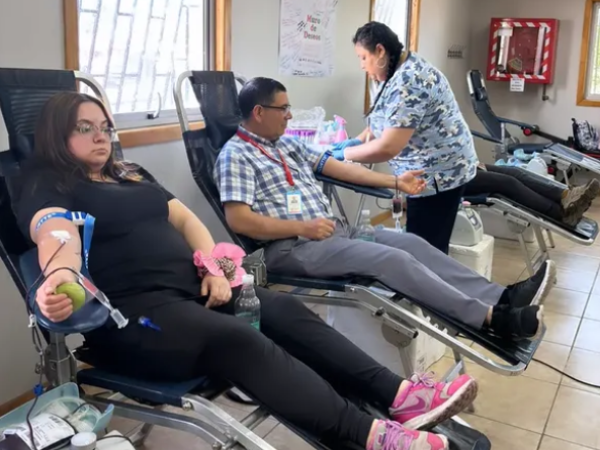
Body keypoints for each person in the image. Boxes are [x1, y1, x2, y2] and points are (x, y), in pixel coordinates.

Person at [13, 92, 486, 450]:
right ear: (57, 135)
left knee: (281, 310)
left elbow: (189, 221)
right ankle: (368, 435)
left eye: (105, 126)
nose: (100, 136)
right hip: (138, 320)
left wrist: (218, 270)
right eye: (84, 128)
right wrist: (61, 278)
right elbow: (56, 234)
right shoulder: (47, 182)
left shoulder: (129, 172)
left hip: (196, 292)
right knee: (235, 337)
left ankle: (399, 395)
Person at [214, 76, 556, 341]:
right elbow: (239, 220)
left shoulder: (288, 145)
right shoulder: (235, 156)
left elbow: (339, 168)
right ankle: (491, 319)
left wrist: (396, 182)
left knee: (412, 244)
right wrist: (302, 228)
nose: (290, 115)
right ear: (259, 112)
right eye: (283, 108)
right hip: (291, 247)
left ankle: (503, 297)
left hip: (335, 234)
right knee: (391, 260)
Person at [329, 21, 478, 254]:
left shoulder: (409, 80)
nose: (361, 65)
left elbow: (388, 147)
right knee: (419, 243)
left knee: (426, 250)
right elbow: (381, 123)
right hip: (426, 172)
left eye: (363, 57)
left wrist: (345, 154)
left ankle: (430, 278)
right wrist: (356, 141)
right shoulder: (394, 71)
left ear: (380, 51)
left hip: (436, 175)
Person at [465, 164, 600, 227]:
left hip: (464, 167)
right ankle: (562, 214)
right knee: (507, 182)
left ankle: (565, 196)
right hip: (454, 181)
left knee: (516, 172)